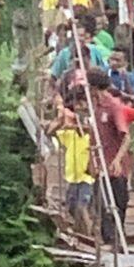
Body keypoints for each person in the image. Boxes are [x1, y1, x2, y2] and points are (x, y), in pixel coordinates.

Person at [87, 68, 134, 246]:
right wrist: (91, 159)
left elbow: (126, 136)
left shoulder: (113, 107)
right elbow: (94, 136)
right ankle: (109, 241)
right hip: (100, 164)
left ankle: (117, 240)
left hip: (114, 167)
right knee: (101, 204)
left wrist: (117, 160)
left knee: (117, 204)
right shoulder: (96, 107)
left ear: (94, 87)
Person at [48, 88, 96, 236]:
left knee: (82, 206)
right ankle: (81, 231)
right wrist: (61, 120)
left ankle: (89, 234)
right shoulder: (70, 135)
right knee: (71, 206)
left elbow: (94, 133)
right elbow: (50, 132)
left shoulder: (91, 139)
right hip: (72, 177)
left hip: (86, 177)